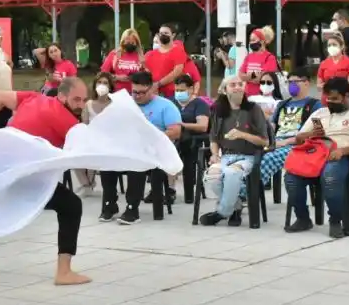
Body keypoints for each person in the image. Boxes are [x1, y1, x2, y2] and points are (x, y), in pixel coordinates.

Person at [0, 77, 92, 285]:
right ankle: (64, 272)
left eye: (83, 100)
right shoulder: (67, 121)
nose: (80, 105)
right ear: (61, 96)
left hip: (2, 166)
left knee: (6, 207)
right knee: (71, 206)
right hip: (20, 172)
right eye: (76, 99)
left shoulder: (35, 98)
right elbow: (88, 149)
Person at [285, 77, 349, 238]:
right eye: (327, 98)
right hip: (314, 157)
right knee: (291, 177)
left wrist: (343, 151)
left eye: (334, 99)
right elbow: (299, 138)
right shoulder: (320, 113)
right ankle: (303, 218)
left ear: (346, 95)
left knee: (330, 176)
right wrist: (312, 134)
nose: (330, 102)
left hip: (344, 159)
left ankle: (335, 220)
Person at [110, 71, 182, 224]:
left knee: (138, 162)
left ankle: (132, 209)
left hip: (157, 150)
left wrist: (151, 137)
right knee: (106, 162)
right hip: (130, 148)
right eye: (134, 92)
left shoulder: (166, 106)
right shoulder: (126, 105)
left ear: (152, 89)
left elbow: (175, 132)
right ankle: (109, 204)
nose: (137, 96)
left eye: (142, 92)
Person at [200, 76, 270, 226]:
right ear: (225, 90)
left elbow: (264, 141)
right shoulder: (218, 111)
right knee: (212, 175)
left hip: (248, 156)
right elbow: (213, 138)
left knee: (232, 173)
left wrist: (242, 134)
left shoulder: (253, 109)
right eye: (233, 85)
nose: (238, 87)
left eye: (240, 84)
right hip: (226, 155)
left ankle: (222, 213)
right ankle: (236, 208)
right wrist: (214, 154)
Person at [241, 68, 321, 197]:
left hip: (298, 145)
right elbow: (271, 127)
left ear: (306, 83)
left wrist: (286, 142)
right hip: (276, 141)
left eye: (296, 82)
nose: (292, 85)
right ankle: (238, 190)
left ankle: (244, 195)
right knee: (247, 156)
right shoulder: (282, 105)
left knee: (267, 158)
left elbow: (317, 132)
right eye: (289, 82)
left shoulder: (315, 105)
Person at [173, 74, 211, 203]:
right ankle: (169, 190)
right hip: (173, 137)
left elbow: (203, 126)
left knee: (186, 151)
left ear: (190, 89)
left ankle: (188, 193)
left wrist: (182, 125)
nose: (179, 93)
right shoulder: (171, 103)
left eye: (182, 90)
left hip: (193, 140)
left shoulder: (199, 104)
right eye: (177, 90)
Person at [83, 73, 115, 210]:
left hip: (111, 141)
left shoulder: (115, 104)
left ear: (110, 86)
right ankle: (87, 182)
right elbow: (85, 125)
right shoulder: (88, 104)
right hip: (93, 140)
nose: (102, 85)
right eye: (99, 82)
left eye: (105, 82)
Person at [145, 24, 187, 98]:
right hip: (154, 93)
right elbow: (146, 71)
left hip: (172, 94)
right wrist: (152, 86)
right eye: (161, 33)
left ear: (173, 35)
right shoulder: (150, 54)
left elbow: (177, 72)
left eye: (166, 33)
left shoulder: (178, 51)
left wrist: (158, 84)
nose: (163, 35)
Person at [100, 28, 145, 94]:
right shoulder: (114, 54)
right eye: (127, 42)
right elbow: (103, 73)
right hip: (116, 93)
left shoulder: (140, 55)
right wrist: (117, 77)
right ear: (123, 42)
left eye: (132, 42)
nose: (130, 44)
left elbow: (146, 76)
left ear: (136, 43)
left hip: (136, 94)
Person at [239, 26, 278, 97]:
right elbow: (240, 76)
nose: (251, 42)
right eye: (250, 40)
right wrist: (254, 75)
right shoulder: (248, 57)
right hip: (247, 96)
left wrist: (248, 77)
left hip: (263, 97)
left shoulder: (270, 58)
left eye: (253, 40)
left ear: (262, 41)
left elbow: (262, 79)